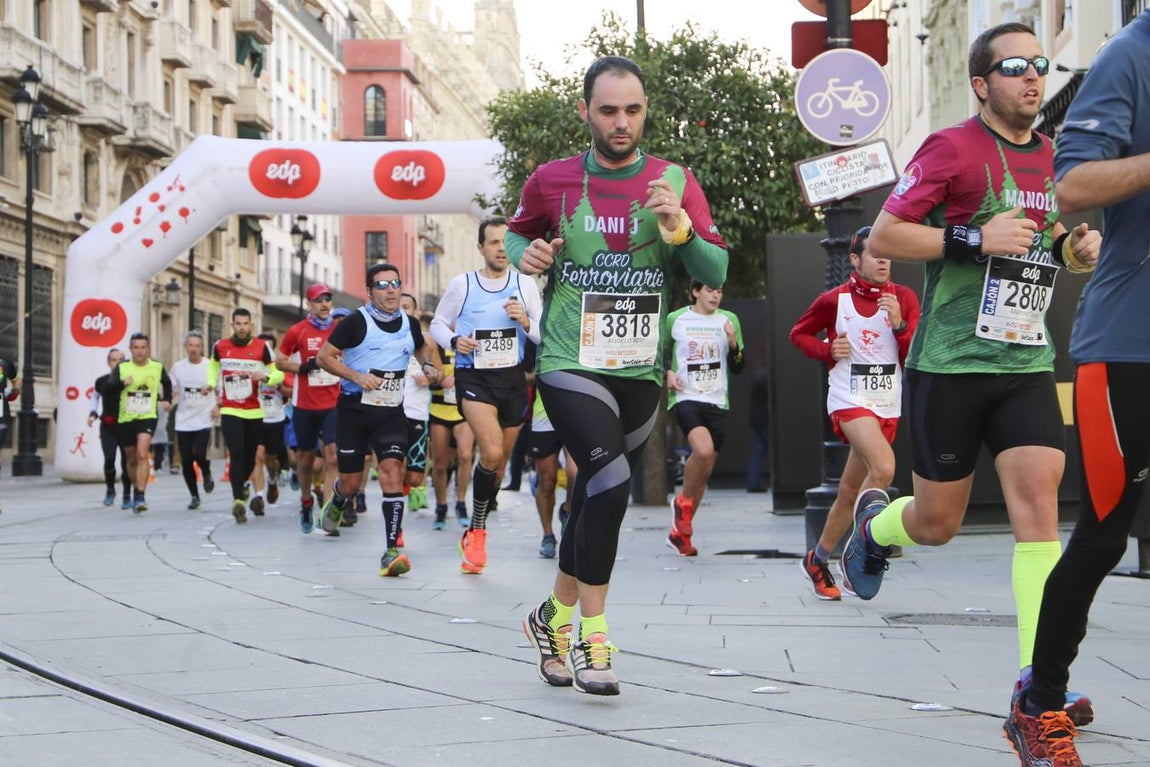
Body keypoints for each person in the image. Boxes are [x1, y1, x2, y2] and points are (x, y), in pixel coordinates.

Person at [841, 22, 1101, 724]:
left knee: (1041, 510)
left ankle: (1039, 679)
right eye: (1014, 66)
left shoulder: (1053, 158)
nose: (1032, 76)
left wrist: (1073, 250)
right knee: (936, 523)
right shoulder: (950, 147)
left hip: (1024, 361)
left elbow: (1043, 242)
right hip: (951, 365)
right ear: (982, 84)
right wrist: (974, 237)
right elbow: (890, 233)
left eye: (1038, 64)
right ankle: (874, 529)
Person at [509, 55, 728, 695]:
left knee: (594, 497)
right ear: (585, 112)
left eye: (632, 110)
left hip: (638, 369)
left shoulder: (672, 180)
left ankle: (551, 617)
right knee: (609, 481)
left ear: (645, 111)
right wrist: (534, 253)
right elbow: (518, 238)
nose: (621, 122)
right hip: (569, 360)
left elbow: (712, 270)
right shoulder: (552, 180)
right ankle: (594, 640)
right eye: (608, 111)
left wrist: (679, 228)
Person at [1006, 11, 1150, 766]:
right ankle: (1040, 700)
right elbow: (1071, 186)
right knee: (1102, 533)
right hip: (1127, 345)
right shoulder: (1130, 56)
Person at [789, 226, 920, 599]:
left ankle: (818, 558)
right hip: (848, 399)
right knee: (884, 467)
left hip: (887, 405)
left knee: (849, 493)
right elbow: (798, 334)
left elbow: (915, 354)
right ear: (854, 259)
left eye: (887, 254)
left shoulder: (904, 299)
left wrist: (899, 326)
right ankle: (862, 552)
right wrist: (826, 351)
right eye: (874, 254)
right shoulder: (834, 300)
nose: (882, 260)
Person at [431, 216, 543, 575]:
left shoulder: (525, 285)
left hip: (512, 380)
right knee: (491, 450)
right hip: (474, 376)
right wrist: (453, 340)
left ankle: (476, 522)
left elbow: (543, 335)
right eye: (492, 242)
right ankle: (477, 531)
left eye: (504, 242)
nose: (499, 248)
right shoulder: (462, 284)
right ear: (481, 248)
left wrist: (526, 323)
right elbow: (436, 323)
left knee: (496, 466)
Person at [316, 263, 440, 575]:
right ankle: (339, 498)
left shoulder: (409, 324)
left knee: (392, 471)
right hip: (354, 409)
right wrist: (356, 376)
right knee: (351, 481)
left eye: (395, 283)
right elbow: (324, 357)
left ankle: (391, 550)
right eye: (382, 285)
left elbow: (422, 348)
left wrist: (427, 366)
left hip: (390, 411)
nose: (390, 290)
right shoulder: (356, 322)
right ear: (370, 292)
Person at [664, 280, 746, 556]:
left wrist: (733, 343)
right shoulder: (676, 319)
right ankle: (682, 504)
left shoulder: (729, 320)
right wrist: (666, 373)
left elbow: (738, 366)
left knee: (705, 471)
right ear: (695, 291)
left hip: (717, 400)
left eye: (720, 291)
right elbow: (656, 353)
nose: (715, 296)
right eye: (710, 290)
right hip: (686, 397)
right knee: (703, 450)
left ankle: (681, 532)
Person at [206, 308, 283, 524]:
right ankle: (237, 500)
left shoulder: (261, 347)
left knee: (250, 456)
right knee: (236, 451)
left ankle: (243, 486)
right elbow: (213, 366)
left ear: (251, 325)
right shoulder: (220, 346)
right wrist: (211, 384)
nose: (241, 328)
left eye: (245, 324)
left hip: (254, 410)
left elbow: (278, 373)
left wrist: (266, 376)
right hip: (231, 408)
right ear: (232, 325)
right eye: (237, 324)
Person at [277, 284, 343, 534]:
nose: (324, 304)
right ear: (309, 305)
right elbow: (280, 361)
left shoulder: (339, 330)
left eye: (327, 299)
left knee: (333, 456)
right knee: (304, 460)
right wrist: (302, 368)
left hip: (333, 403)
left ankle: (327, 513)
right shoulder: (298, 331)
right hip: (304, 404)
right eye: (319, 300)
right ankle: (306, 500)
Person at [104, 333, 173, 513]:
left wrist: (167, 400)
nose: (140, 351)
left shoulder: (157, 367)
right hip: (126, 417)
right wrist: (121, 383)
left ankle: (141, 495)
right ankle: (136, 488)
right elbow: (108, 390)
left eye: (143, 347)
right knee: (131, 458)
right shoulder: (122, 367)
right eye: (136, 347)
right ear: (131, 349)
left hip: (147, 415)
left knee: (143, 453)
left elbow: (167, 383)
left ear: (148, 348)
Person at [427, 342, 474, 530]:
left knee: (465, 455)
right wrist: (438, 379)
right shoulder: (436, 346)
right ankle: (441, 505)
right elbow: (426, 373)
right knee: (439, 463)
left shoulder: (470, 341)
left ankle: (461, 502)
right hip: (439, 409)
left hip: (463, 409)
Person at [399, 293, 436, 532]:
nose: (402, 310)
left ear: (415, 311)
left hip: (417, 412)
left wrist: (430, 377)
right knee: (394, 467)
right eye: (399, 307)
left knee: (413, 477)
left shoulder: (426, 341)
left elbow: (439, 374)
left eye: (407, 307)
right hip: (391, 411)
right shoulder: (382, 338)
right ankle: (396, 524)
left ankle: (403, 494)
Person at [526, 388, 577, 558]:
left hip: (577, 412)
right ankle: (548, 535)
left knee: (575, 474)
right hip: (544, 415)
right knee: (547, 481)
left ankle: (567, 511)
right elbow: (523, 374)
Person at [170, 331, 215, 510]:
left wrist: (217, 406)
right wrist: (169, 396)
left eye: (197, 346)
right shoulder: (178, 367)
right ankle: (194, 496)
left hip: (203, 418)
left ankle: (206, 470)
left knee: (200, 454)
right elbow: (171, 387)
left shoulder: (210, 366)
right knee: (187, 460)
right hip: (184, 419)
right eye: (191, 345)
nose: (194, 349)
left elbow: (219, 388)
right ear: (186, 347)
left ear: (202, 348)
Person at [86, 348, 132, 508]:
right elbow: (95, 396)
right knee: (109, 458)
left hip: (126, 426)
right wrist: (93, 412)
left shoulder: (131, 380)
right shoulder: (102, 380)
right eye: (114, 360)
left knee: (127, 462)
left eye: (121, 359)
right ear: (108, 362)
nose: (117, 363)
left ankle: (127, 494)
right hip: (108, 425)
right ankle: (110, 490)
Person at [252, 332, 289, 513]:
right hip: (255, 416)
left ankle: (272, 480)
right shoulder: (251, 364)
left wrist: (276, 385)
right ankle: (258, 496)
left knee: (271, 459)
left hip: (275, 417)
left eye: (268, 345)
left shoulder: (279, 366)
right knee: (257, 456)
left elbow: (290, 391)